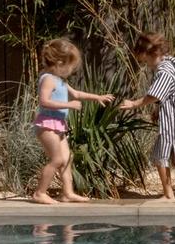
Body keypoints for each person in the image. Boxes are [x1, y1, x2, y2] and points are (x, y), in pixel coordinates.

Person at [118, 33, 175, 200]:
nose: (146, 65)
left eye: (145, 61)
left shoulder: (165, 70)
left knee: (160, 155)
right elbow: (172, 92)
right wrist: (158, 110)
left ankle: (168, 194)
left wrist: (134, 104)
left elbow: (155, 95)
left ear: (151, 53)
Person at [30, 38, 114, 206]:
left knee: (67, 158)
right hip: (47, 125)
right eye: (70, 66)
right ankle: (40, 193)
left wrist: (97, 97)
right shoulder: (48, 79)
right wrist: (68, 104)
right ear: (60, 63)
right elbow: (44, 101)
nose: (71, 70)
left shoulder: (60, 81)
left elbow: (76, 94)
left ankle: (67, 193)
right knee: (57, 159)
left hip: (57, 125)